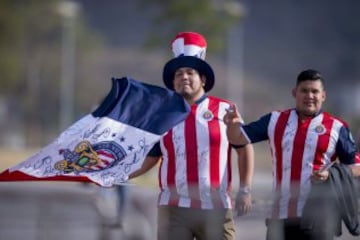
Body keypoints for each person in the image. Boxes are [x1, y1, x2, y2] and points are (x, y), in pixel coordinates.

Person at [129, 31, 254, 240]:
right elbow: (150, 158)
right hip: (174, 208)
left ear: (203, 79)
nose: (184, 77)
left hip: (216, 207)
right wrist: (114, 175)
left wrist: (245, 189)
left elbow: (244, 149)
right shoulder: (162, 115)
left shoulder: (225, 110)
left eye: (190, 72)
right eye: (178, 74)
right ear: (173, 81)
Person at [224, 69, 360, 240]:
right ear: (295, 93)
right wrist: (233, 124)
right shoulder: (275, 120)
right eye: (304, 90)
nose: (309, 95)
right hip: (279, 218)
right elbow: (237, 138)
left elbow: (356, 167)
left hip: (319, 218)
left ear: (323, 95)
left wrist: (331, 174)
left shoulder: (337, 127)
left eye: (315, 91)